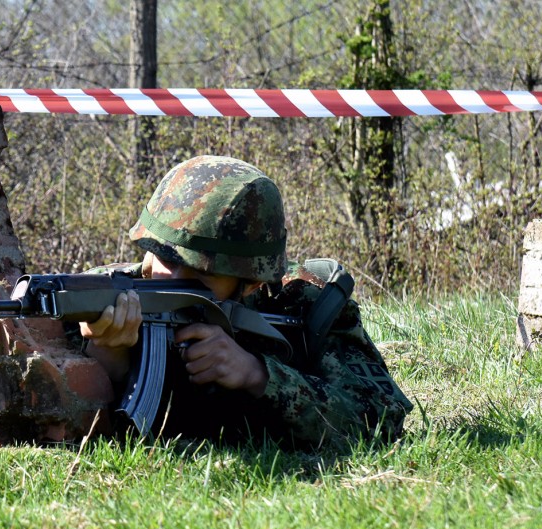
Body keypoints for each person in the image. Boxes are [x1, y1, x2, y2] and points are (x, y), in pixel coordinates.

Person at [79, 155, 412, 449]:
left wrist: (258, 375)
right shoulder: (96, 296)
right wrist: (106, 359)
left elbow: (381, 421)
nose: (169, 277)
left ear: (251, 284)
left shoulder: (303, 303)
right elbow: (48, 422)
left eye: (198, 272)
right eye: (164, 256)